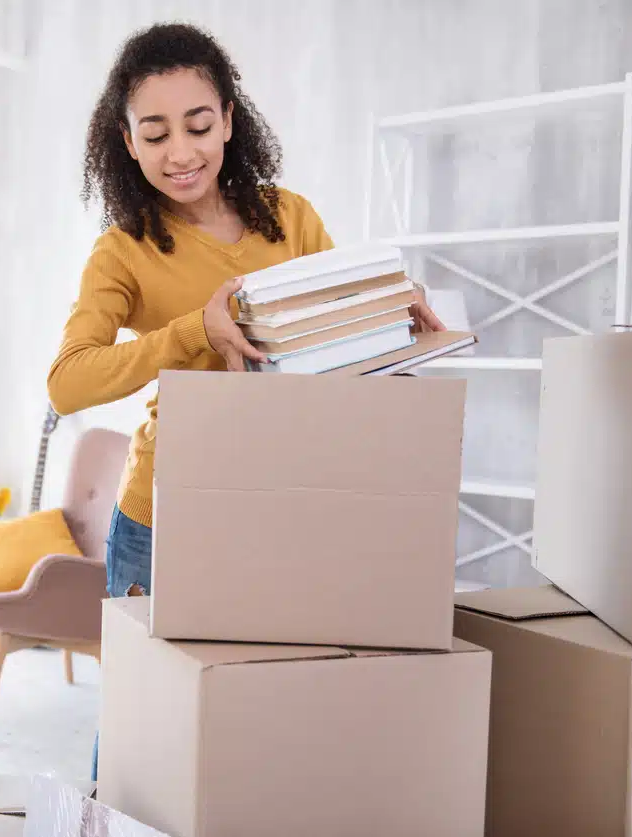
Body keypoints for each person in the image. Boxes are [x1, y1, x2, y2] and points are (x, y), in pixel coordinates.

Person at [46, 22, 445, 780]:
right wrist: (194, 329)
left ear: (229, 119)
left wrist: (398, 313)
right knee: (143, 711)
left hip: (281, 498)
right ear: (127, 143)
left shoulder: (289, 218)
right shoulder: (124, 250)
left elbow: (345, 345)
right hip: (166, 513)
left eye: (198, 125)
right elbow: (69, 379)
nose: (181, 152)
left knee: (258, 702)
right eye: (155, 133)